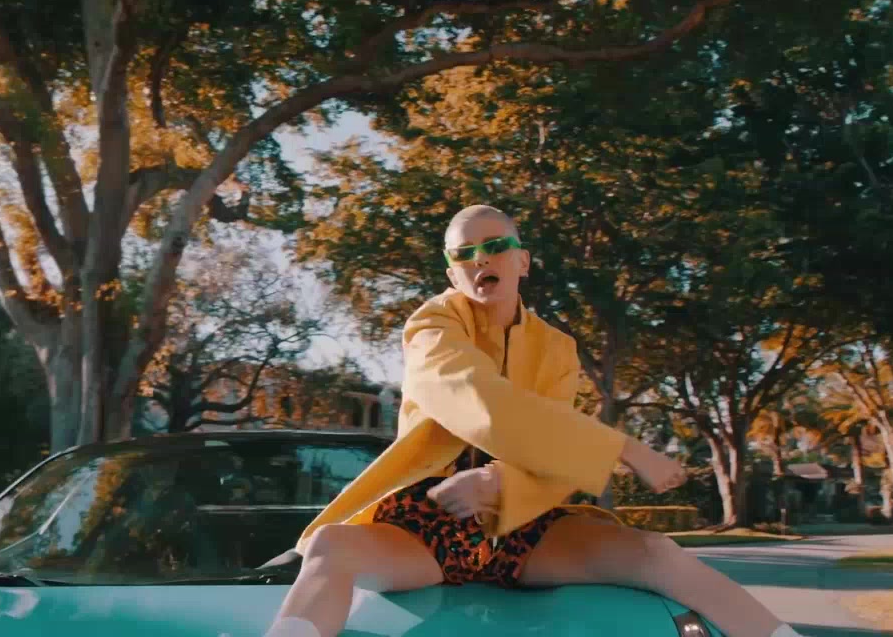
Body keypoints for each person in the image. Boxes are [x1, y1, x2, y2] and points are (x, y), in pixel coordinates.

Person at [264, 205, 804, 637]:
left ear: (522, 261)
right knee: (333, 546)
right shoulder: (431, 325)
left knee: (657, 552)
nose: (481, 259)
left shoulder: (558, 348)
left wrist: (498, 483)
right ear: (451, 272)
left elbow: (555, 458)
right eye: (464, 253)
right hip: (422, 524)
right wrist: (623, 448)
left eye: (495, 246)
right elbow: (477, 398)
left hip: (526, 525)